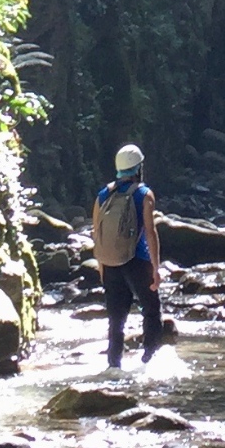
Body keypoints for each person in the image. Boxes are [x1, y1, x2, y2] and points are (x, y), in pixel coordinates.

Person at [91, 141, 162, 369]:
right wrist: (156, 268)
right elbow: (150, 233)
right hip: (137, 260)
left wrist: (102, 266)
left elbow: (97, 232)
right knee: (151, 310)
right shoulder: (144, 193)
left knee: (116, 319)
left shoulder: (103, 195)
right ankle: (148, 361)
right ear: (138, 168)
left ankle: (113, 366)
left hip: (110, 263)